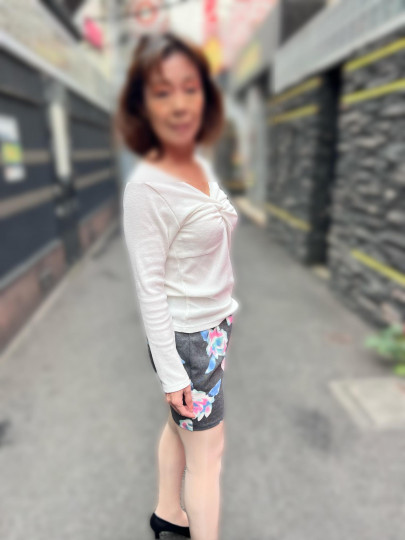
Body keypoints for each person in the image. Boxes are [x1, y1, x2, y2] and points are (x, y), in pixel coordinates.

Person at [117, 31, 240, 540]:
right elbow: (148, 288)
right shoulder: (147, 187)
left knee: (180, 429)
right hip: (188, 340)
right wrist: (172, 374)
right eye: (162, 91)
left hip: (211, 328)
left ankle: (168, 512)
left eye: (190, 87)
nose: (180, 103)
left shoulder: (197, 164)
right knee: (208, 453)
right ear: (141, 105)